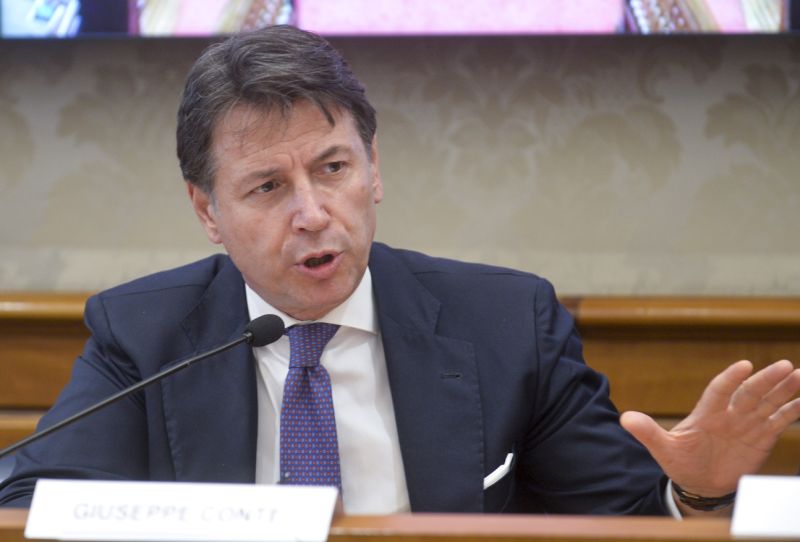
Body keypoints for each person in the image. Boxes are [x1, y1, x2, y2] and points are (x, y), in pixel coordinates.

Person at [1, 25, 798, 515]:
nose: (313, 212)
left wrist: (695, 491)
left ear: (374, 169)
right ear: (208, 210)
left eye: (333, 168)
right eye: (267, 187)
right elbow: (29, 507)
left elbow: (622, 518)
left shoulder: (507, 325)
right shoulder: (144, 335)